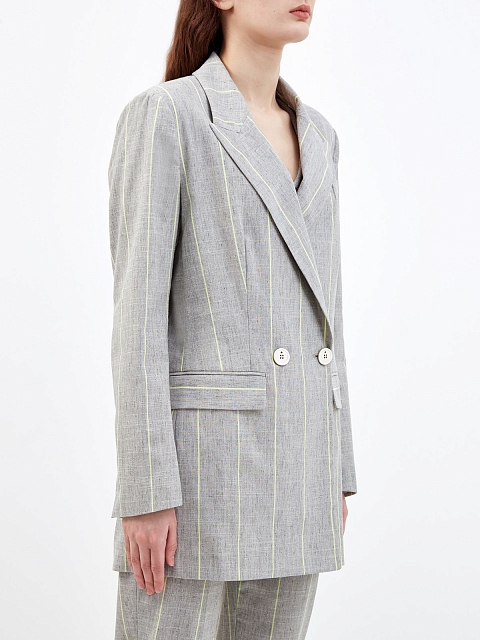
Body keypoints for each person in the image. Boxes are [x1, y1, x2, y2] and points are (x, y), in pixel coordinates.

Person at [108, 0, 358, 637]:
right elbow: (137, 319)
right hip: (198, 476)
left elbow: (327, 311)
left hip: (301, 456)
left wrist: (337, 467)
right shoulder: (169, 115)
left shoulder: (320, 137)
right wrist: (145, 490)